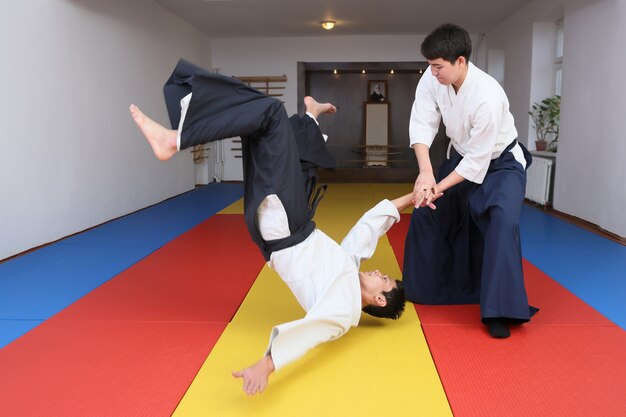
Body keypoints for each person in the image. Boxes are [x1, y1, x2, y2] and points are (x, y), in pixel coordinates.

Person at [129, 59, 411, 395]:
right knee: (269, 125)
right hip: (292, 219)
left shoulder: (344, 310)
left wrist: (266, 364)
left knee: (272, 114)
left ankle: (175, 140)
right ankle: (311, 116)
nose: (380, 271)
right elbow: (370, 227)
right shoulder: (348, 268)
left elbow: (311, 331)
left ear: (380, 299)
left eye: (385, 279)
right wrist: (413, 197)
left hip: (284, 228)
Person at [403, 23, 537, 339]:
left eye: (438, 66)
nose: (432, 72)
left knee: (502, 222)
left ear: (460, 61)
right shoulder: (432, 78)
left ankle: (499, 312)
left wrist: (437, 184)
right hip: (463, 157)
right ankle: (432, 288)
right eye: (430, 66)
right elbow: (422, 123)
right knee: (427, 210)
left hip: (501, 164)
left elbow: (477, 163)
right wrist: (425, 174)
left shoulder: (488, 97)